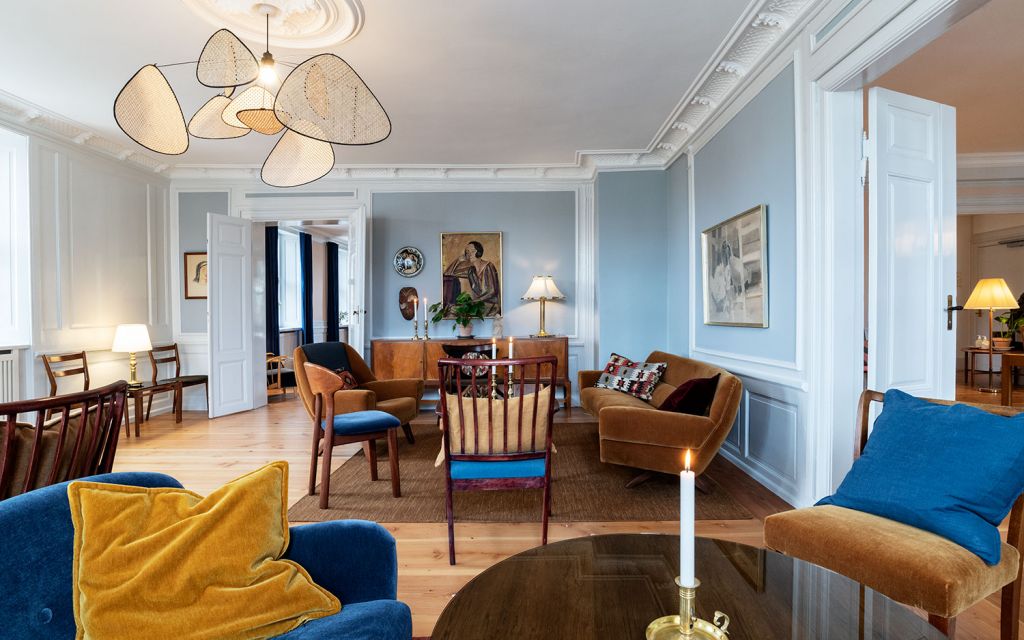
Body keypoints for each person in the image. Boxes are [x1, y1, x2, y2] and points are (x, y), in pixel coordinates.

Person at [443, 240, 501, 316]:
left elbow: (491, 292)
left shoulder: (488, 266)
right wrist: (458, 260)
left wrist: (473, 301)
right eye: (467, 252)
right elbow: (448, 273)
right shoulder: (471, 270)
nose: (469, 254)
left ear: (479, 252)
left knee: (454, 310)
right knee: (451, 308)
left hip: (490, 305)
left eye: (472, 251)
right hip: (477, 304)